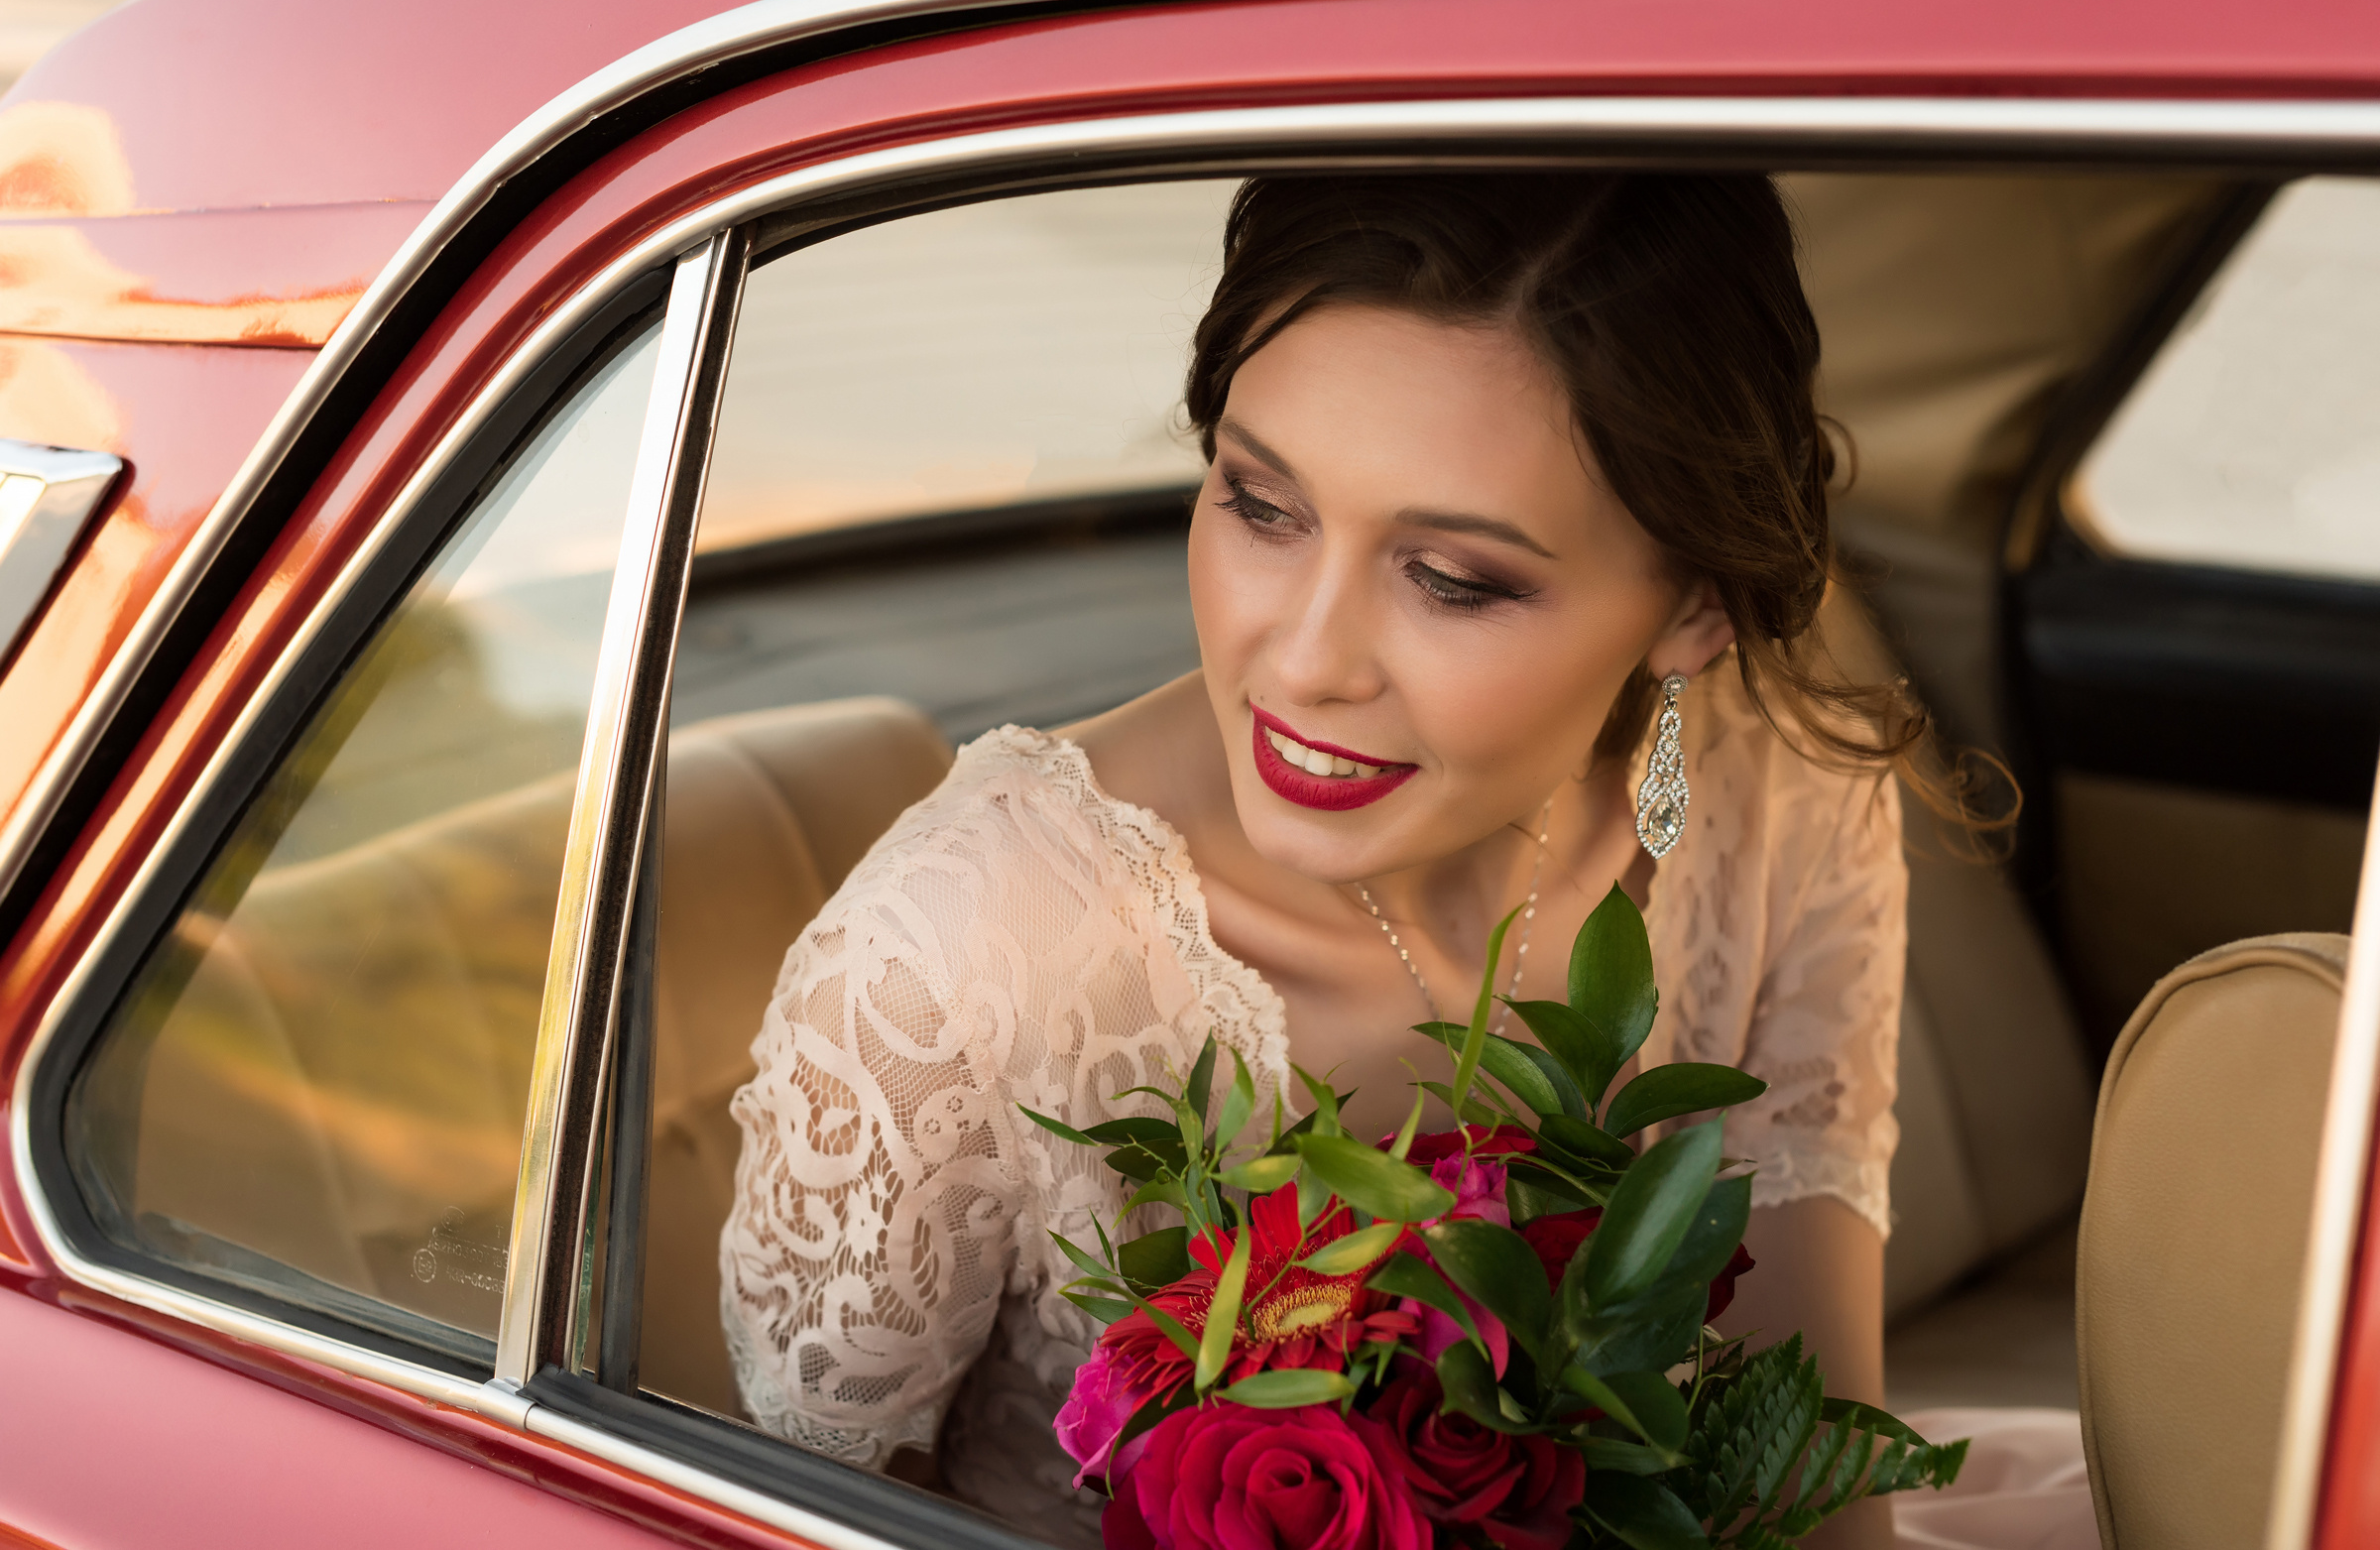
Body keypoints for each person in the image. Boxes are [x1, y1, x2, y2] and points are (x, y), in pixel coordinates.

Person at [718, 173, 2087, 1550]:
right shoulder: (947, 962)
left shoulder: (1779, 797)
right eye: (1260, 503)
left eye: (1452, 579)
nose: (1303, 659)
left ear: (1696, 607)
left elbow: (1806, 1467)